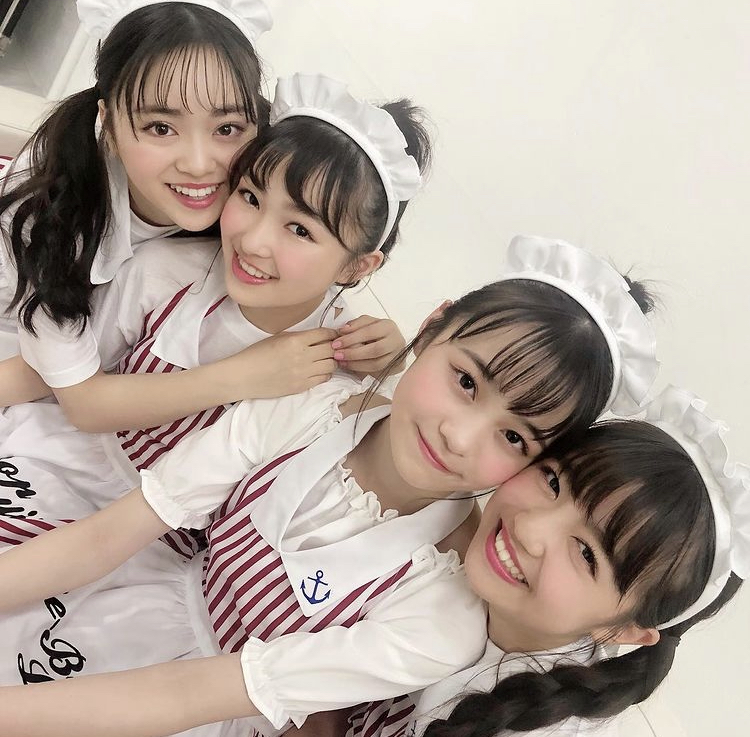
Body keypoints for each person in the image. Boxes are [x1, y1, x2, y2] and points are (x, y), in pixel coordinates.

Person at [0, 236, 658, 737]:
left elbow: (186, 695)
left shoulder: (441, 603)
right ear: (431, 326)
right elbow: (110, 534)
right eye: (466, 382)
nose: (460, 437)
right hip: (126, 598)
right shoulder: (308, 407)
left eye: (514, 437)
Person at [0, 72, 428, 528]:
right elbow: (62, 380)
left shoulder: (345, 354)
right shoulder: (162, 274)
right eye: (250, 197)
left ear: (356, 267)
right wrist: (244, 376)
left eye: (300, 229)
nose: (254, 241)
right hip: (58, 458)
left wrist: (391, 364)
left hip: (164, 533)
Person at [390, 386, 747, 737]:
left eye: (587, 553)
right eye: (553, 482)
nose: (528, 528)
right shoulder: (453, 541)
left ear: (626, 631)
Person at [0, 0, 274, 412]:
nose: (199, 164)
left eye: (226, 128)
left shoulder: (266, 175)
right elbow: (79, 397)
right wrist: (246, 374)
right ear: (108, 124)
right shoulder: (51, 208)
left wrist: (357, 339)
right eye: (161, 128)